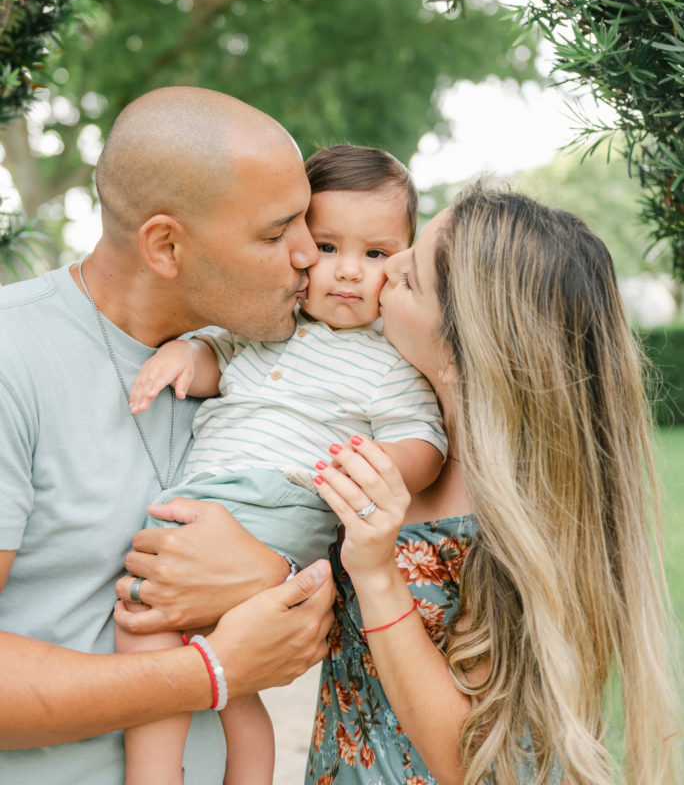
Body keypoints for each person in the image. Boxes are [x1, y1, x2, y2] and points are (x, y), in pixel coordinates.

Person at [0, 86, 336, 785]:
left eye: (307, 222)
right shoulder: (13, 356)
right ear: (166, 245)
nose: (310, 255)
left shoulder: (286, 362)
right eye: (277, 234)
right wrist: (208, 674)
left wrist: (273, 576)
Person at [308, 183, 681, 785]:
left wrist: (376, 577)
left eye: (410, 279)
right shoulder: (407, 434)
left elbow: (478, 762)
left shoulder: (520, 528)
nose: (389, 265)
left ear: (461, 355)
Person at [117, 144, 448, 785]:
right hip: (208, 503)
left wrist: (375, 466)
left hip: (285, 503)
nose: (348, 272)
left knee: (144, 623)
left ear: (401, 258)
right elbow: (214, 360)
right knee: (226, 677)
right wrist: (183, 358)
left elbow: (426, 446)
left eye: (376, 255)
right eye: (327, 248)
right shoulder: (263, 325)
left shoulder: (387, 361)